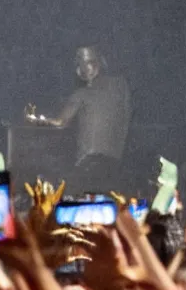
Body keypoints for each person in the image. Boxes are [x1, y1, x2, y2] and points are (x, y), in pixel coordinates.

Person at [28, 46, 132, 195]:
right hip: (114, 167)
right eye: (80, 64)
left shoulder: (82, 95)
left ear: (99, 63)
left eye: (88, 62)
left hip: (88, 168)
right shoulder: (121, 87)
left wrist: (36, 120)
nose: (84, 68)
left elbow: (60, 122)